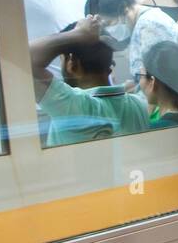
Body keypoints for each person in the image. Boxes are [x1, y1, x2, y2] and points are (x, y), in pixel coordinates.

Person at [30, 16, 150, 146]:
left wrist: (79, 34)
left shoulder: (72, 106)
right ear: (109, 66)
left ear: (72, 63)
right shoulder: (139, 106)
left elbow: (22, 59)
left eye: (62, 59)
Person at [86, 0, 178, 86]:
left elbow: (160, 81)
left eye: (108, 23)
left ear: (123, 9)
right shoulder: (141, 25)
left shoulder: (150, 26)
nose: (109, 30)